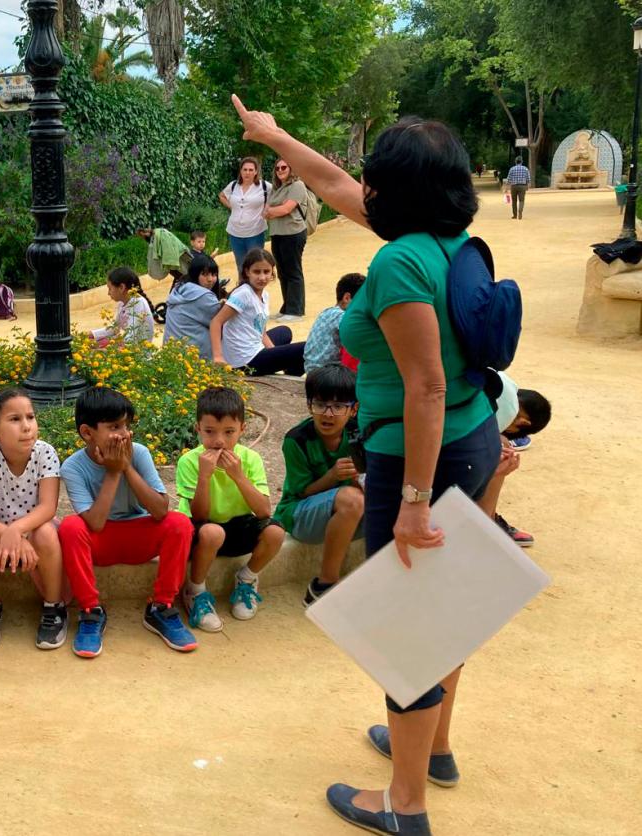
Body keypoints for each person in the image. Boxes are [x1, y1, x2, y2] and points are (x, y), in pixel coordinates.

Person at [232, 95, 501, 834]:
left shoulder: (397, 262)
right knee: (443, 608)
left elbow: (425, 387)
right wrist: (273, 135)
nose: (363, 183)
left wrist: (412, 500)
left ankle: (404, 804)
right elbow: (334, 184)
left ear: (395, 190)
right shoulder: (445, 241)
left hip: (419, 456)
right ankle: (433, 749)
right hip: (471, 439)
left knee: (406, 624)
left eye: (374, 173)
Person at [58, 387, 196, 658]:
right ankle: (90, 611)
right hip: (102, 541)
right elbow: (95, 524)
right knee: (70, 527)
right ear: (87, 432)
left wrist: (126, 467)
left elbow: (160, 511)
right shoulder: (72, 467)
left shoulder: (139, 453)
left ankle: (161, 607)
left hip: (139, 536)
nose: (124, 434)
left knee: (180, 523)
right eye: (114, 427)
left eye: (126, 426)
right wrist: (113, 473)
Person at [0, 388, 67, 650]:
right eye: (15, 419)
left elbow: (48, 507)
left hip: (34, 529)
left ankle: (54, 606)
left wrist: (17, 531)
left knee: (46, 532)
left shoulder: (45, 453)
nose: (27, 426)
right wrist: (5, 533)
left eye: (30, 417)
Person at [176, 387, 284, 631]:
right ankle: (195, 591)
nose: (219, 441)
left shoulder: (251, 459)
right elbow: (200, 515)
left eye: (229, 432)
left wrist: (238, 476)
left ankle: (246, 579)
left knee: (275, 532)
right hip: (203, 532)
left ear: (242, 429)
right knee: (213, 531)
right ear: (197, 428)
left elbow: (264, 512)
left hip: (238, 525)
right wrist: (204, 477)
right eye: (210, 431)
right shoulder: (189, 461)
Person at [273, 364, 364, 606]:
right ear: (309, 405)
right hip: (299, 514)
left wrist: (360, 477)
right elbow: (302, 491)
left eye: (338, 406)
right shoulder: (297, 439)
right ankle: (324, 584)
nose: (328, 414)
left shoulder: (359, 433)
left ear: (353, 409)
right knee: (351, 499)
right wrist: (332, 476)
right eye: (320, 404)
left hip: (346, 512)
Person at [477, 375, 551, 546]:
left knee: (499, 446)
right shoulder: (506, 411)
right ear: (522, 423)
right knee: (501, 452)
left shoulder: (504, 383)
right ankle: (485, 524)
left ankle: (486, 520)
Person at [210, 248, 305, 376]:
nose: (262, 277)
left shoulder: (264, 295)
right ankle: (292, 375)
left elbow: (262, 333)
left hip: (256, 346)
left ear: (272, 272)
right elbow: (216, 322)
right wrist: (218, 357)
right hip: (245, 362)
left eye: (266, 272)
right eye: (256, 272)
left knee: (285, 331)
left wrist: (277, 355)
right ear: (247, 272)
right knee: (306, 348)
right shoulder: (243, 294)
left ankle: (287, 370)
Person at [266, 158, 310, 321]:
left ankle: (296, 311)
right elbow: (267, 211)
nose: (280, 170)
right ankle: (287, 308)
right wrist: (275, 210)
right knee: (282, 272)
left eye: (284, 167)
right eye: (277, 168)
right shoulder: (277, 188)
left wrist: (274, 210)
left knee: (293, 271)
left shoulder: (297, 185)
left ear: (291, 168)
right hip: (277, 233)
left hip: (293, 233)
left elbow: (286, 209)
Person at [162, 254, 225, 361]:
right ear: (195, 274)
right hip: (196, 359)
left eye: (214, 275)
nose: (210, 279)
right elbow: (224, 323)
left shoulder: (179, 288)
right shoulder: (204, 296)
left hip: (171, 356)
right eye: (204, 274)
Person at [304, 273, 366, 373]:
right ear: (347, 298)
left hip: (312, 370)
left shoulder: (327, 312)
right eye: (364, 300)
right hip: (327, 374)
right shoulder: (342, 316)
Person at [219, 156, 269, 273]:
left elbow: (276, 196)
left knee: (255, 264)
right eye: (245, 169)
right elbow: (221, 195)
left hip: (255, 232)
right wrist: (232, 206)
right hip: (235, 233)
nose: (247, 173)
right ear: (241, 171)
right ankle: (243, 284)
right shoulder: (233, 185)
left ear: (256, 172)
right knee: (241, 265)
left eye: (251, 170)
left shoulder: (264, 186)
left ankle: (255, 285)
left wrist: (266, 210)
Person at [92, 266, 156, 346]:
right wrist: (91, 334)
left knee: (96, 347)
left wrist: (105, 343)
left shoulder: (138, 303)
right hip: (128, 347)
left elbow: (130, 338)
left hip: (138, 351)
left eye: (110, 289)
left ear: (121, 287)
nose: (108, 293)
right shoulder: (122, 303)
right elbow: (114, 329)